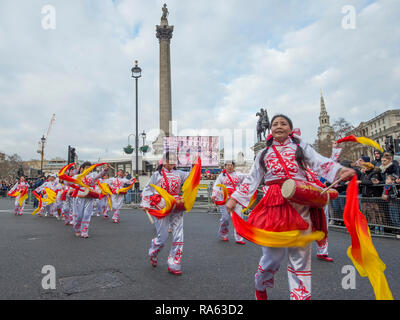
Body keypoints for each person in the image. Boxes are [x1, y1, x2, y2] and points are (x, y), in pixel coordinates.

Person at [225, 114, 355, 300]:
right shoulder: (263, 154)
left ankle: (300, 297)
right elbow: (252, 178)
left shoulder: (301, 148)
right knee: (272, 258)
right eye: (275, 124)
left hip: (301, 204)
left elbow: (319, 162)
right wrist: (235, 199)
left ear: (290, 128)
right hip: (274, 206)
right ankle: (260, 284)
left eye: (283, 123)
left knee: (301, 258)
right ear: (270, 130)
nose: (279, 126)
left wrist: (339, 171)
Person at [140, 152, 191, 276]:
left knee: (179, 235)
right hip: (161, 207)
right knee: (162, 238)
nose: (172, 162)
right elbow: (148, 189)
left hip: (176, 206)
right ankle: (153, 252)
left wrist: (196, 164)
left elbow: (193, 177)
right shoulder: (157, 175)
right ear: (164, 160)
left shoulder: (180, 174)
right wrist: (145, 203)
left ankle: (174, 263)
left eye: (174, 159)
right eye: (170, 159)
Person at [69, 162, 109, 238]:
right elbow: (70, 184)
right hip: (79, 198)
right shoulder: (77, 176)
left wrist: (105, 170)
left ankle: (84, 231)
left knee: (87, 215)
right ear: (82, 168)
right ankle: (77, 229)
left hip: (89, 198)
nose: (88, 169)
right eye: (86, 167)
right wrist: (70, 190)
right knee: (79, 216)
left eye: (90, 168)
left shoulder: (93, 175)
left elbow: (100, 175)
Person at [211, 161, 247, 244]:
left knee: (238, 218)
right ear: (225, 167)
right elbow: (217, 186)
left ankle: (239, 238)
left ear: (233, 166)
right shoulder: (221, 176)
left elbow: (247, 180)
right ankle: (224, 234)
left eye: (231, 165)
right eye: (228, 165)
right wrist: (214, 195)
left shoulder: (239, 175)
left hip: (236, 199)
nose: (230, 167)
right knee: (225, 218)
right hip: (225, 199)